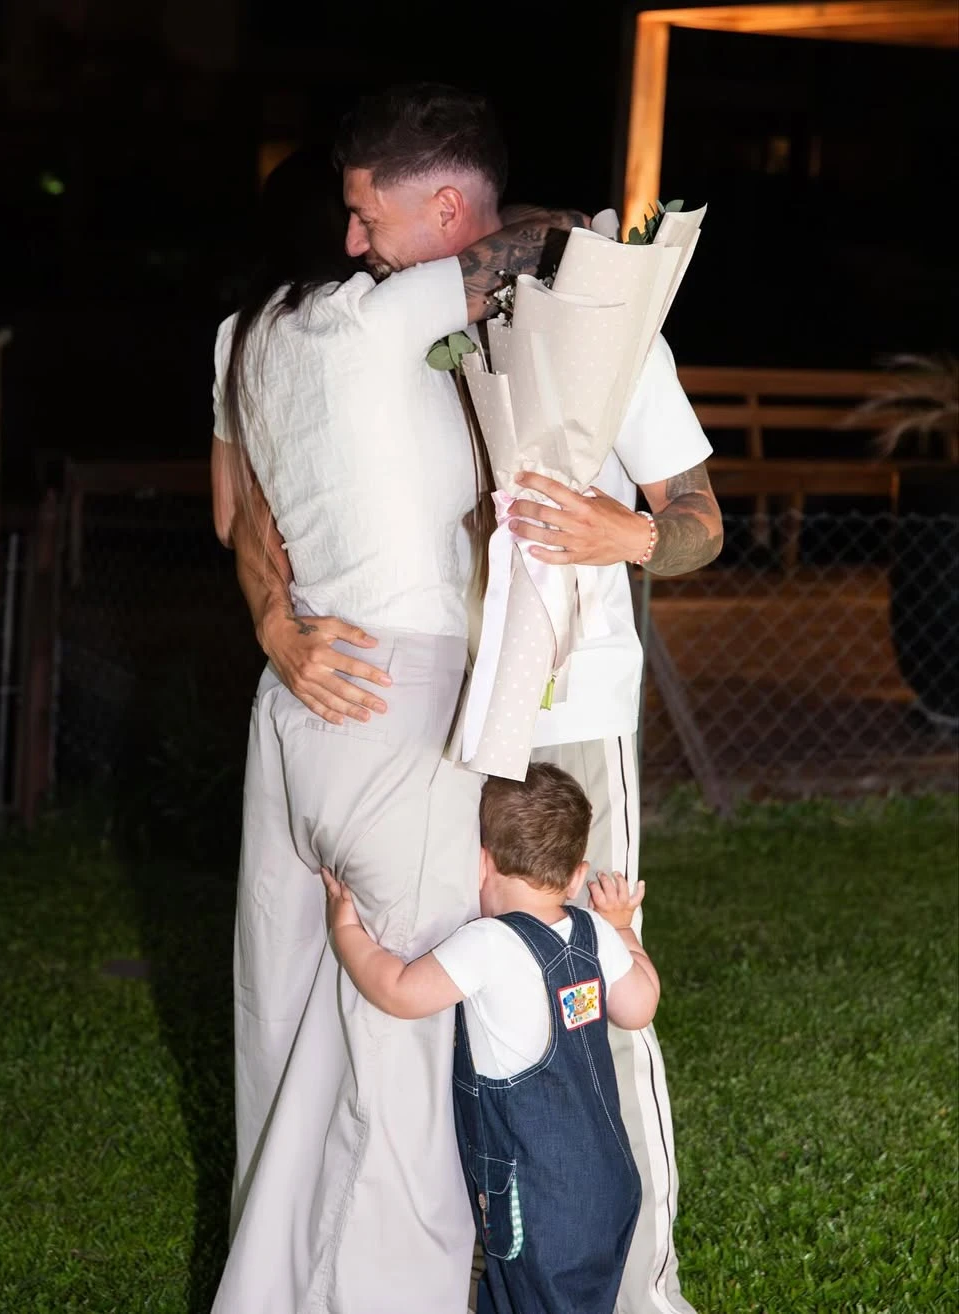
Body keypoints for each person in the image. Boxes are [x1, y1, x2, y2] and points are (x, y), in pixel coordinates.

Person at [221, 83, 722, 1314]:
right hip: (442, 721)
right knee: (452, 1014)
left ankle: (635, 1285)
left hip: (566, 711)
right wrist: (277, 619)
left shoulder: (610, 332)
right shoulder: (382, 326)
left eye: (370, 217)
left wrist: (625, 534)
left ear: (448, 212)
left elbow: (702, 523)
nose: (355, 242)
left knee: (589, 1000)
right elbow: (258, 514)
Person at [208, 138, 586, 1314]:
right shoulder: (377, 320)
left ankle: (267, 1287)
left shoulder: (246, 338)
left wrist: (276, 625)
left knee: (282, 1020)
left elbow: (236, 515)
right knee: (403, 1049)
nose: (363, 239)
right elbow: (564, 238)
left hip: (295, 701)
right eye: (359, 220)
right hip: (392, 695)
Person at [321, 762, 662, 1314]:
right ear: (576, 876)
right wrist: (623, 927)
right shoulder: (594, 931)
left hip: (538, 1200)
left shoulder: (487, 943)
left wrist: (346, 931)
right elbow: (640, 1007)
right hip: (610, 1182)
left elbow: (400, 992)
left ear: (479, 863)